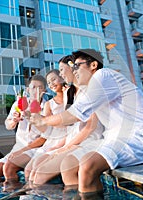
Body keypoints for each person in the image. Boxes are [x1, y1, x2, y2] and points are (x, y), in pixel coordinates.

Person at [30, 49, 143, 197]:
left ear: (93, 65)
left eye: (77, 66)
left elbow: (76, 114)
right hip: (114, 139)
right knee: (72, 164)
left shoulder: (104, 75)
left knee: (88, 166)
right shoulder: (89, 88)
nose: (73, 70)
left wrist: (43, 119)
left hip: (142, 139)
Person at [26, 56, 104, 188]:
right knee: (34, 172)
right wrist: (61, 146)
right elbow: (70, 128)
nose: (61, 73)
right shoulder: (71, 93)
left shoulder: (88, 90)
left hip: (88, 140)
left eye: (62, 70)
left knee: (40, 175)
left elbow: (90, 126)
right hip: (73, 140)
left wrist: (66, 147)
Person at [0, 74, 49, 184]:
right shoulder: (19, 104)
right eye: (33, 87)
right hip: (18, 147)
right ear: (28, 89)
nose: (36, 91)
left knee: (9, 168)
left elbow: (46, 136)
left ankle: (17, 193)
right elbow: (8, 125)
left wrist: (33, 118)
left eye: (40, 87)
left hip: (36, 149)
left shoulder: (48, 107)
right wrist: (14, 120)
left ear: (45, 90)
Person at [24, 69, 68, 182]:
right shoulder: (49, 104)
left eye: (54, 79)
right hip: (52, 139)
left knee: (39, 171)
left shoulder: (71, 97)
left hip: (67, 138)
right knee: (28, 170)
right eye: (49, 82)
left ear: (62, 78)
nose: (51, 84)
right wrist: (35, 120)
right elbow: (46, 130)